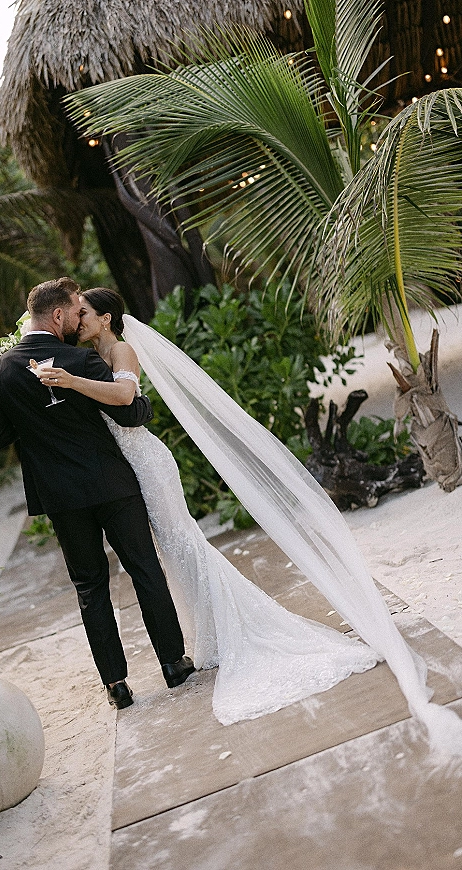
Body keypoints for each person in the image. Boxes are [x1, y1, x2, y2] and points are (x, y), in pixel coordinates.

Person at [35, 288, 382, 725]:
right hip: (121, 471)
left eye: (83, 313)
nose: (77, 321)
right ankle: (208, 634)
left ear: (105, 318)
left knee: (181, 542)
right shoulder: (85, 356)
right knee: (168, 552)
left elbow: (124, 398)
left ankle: (231, 627)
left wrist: (69, 382)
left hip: (146, 463)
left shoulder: (120, 349)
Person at [0, 277, 194, 711]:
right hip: (111, 484)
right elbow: (130, 410)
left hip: (60, 497)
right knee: (144, 568)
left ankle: (116, 685)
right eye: (75, 313)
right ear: (58, 315)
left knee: (90, 587)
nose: (79, 318)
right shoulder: (78, 357)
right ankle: (173, 663)